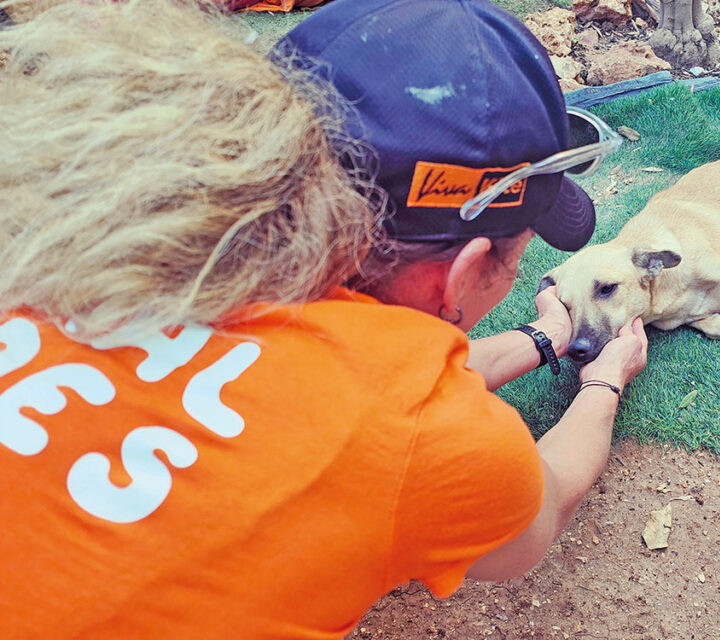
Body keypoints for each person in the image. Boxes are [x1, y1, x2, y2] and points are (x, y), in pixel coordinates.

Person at [0, 1, 647, 638]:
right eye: (517, 255)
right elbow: (545, 499)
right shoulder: (428, 435)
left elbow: (335, 383)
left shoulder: (99, 245)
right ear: (456, 274)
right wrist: (604, 379)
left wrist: (543, 338)